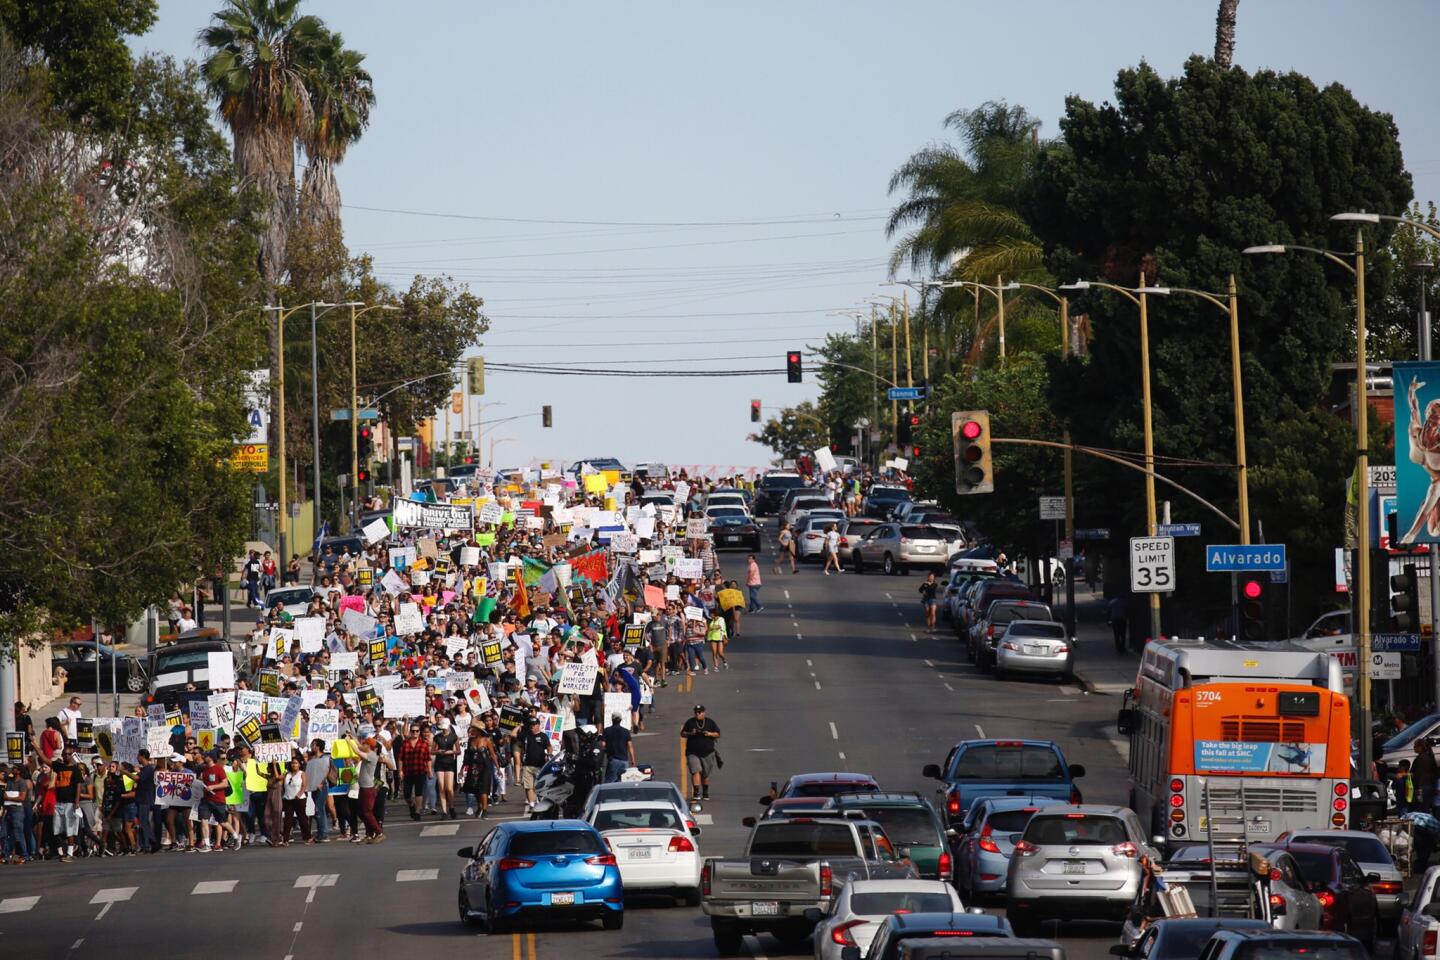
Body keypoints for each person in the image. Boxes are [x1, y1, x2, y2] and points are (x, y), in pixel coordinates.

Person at [681, 704, 720, 804]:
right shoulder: (690, 722)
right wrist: (691, 733)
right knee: (696, 771)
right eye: (696, 712)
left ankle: (705, 792)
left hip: (707, 753)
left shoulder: (710, 722)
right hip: (692, 752)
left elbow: (718, 734)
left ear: (704, 712)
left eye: (699, 712)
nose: (697, 714)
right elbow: (682, 733)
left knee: (705, 774)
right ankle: (696, 793)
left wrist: (709, 734)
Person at [397, 724, 432, 821]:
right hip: (408, 771)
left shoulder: (423, 744)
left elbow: (428, 758)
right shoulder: (405, 743)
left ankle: (417, 812)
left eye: (417, 731)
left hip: (420, 770)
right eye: (413, 731)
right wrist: (400, 770)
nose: (415, 733)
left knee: (418, 792)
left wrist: (429, 771)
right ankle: (412, 805)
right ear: (410, 732)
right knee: (407, 794)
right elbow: (400, 758)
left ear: (419, 732)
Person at [516, 717, 551, 814]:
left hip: (540, 765)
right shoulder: (526, 735)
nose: (531, 727)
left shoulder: (543, 736)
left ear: (538, 725)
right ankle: (532, 805)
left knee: (539, 786)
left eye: (533, 725)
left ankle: (540, 802)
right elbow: (513, 734)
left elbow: (549, 747)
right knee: (528, 786)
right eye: (530, 725)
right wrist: (519, 726)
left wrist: (549, 755)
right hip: (527, 765)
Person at [601, 713, 636, 784]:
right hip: (624, 761)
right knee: (623, 782)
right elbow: (630, 746)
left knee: (609, 782)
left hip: (613, 760)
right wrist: (633, 759)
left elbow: (603, 744)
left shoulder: (607, 730)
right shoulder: (626, 731)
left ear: (612, 719)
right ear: (621, 720)